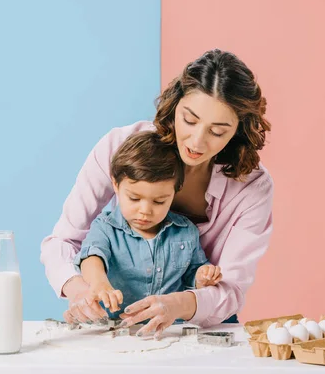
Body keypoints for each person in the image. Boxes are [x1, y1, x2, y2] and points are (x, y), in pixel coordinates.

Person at [41, 48, 273, 339]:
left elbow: (232, 287)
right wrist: (82, 292)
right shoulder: (121, 148)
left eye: (217, 131)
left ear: (239, 130)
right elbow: (63, 240)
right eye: (189, 120)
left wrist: (177, 304)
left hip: (200, 330)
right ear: (175, 105)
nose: (197, 141)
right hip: (118, 327)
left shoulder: (251, 187)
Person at [74, 131, 223, 319]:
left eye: (159, 201)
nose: (145, 210)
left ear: (175, 192)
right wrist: (98, 282)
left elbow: (193, 272)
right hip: (117, 330)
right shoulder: (105, 227)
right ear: (116, 185)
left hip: (169, 330)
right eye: (134, 198)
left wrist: (202, 277)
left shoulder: (186, 232)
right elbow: (91, 256)